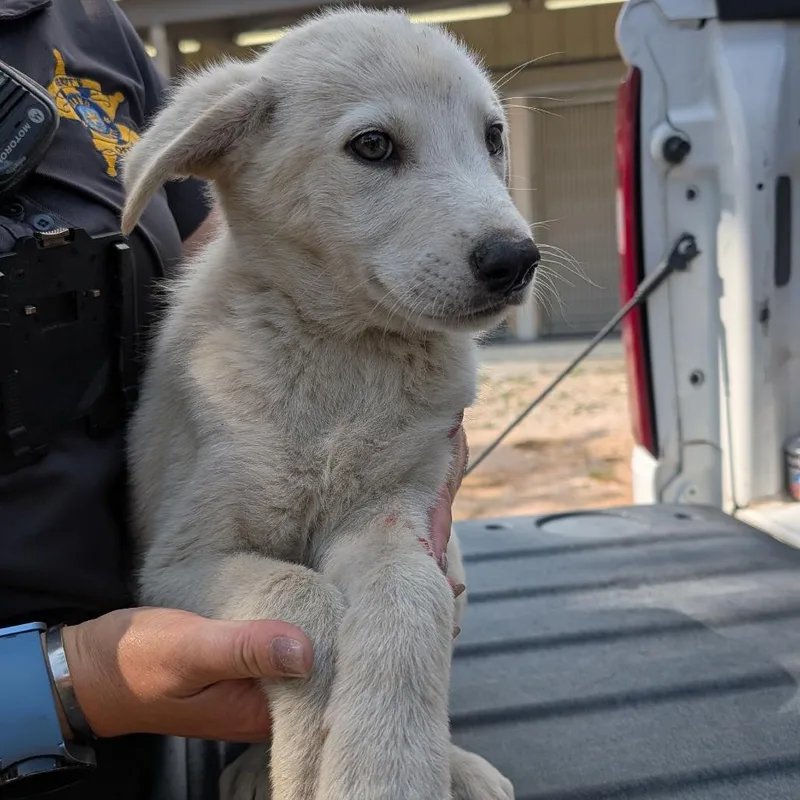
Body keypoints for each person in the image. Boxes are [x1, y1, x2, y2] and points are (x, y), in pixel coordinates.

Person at [0, 0, 468, 797]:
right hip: (69, 701)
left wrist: (403, 380)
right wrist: (71, 684)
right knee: (311, 623)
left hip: (177, 687)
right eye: (376, 145)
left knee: (407, 587)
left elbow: (236, 230)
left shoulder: (83, 25)